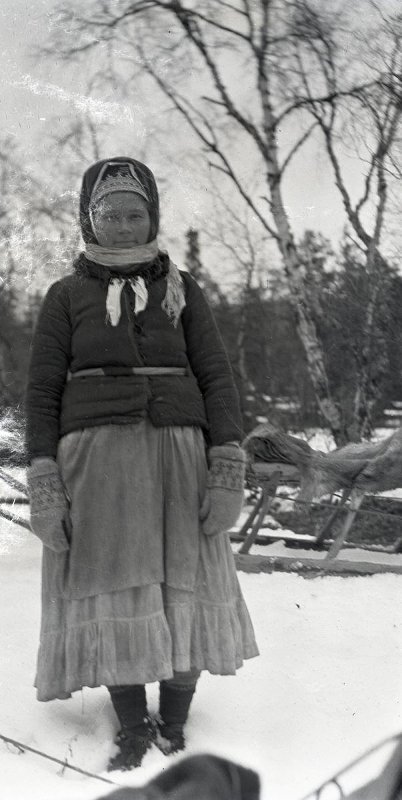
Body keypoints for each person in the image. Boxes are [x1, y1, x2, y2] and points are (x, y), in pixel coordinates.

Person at [25, 157, 259, 772]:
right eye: (110, 215)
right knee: (112, 586)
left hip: (179, 456)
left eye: (136, 214)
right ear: (89, 220)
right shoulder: (66, 296)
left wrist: (227, 465)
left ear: (153, 217)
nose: (124, 226)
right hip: (96, 465)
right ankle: (132, 726)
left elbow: (217, 378)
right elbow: (42, 393)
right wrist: (45, 482)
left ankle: (175, 722)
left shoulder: (182, 288)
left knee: (184, 581)